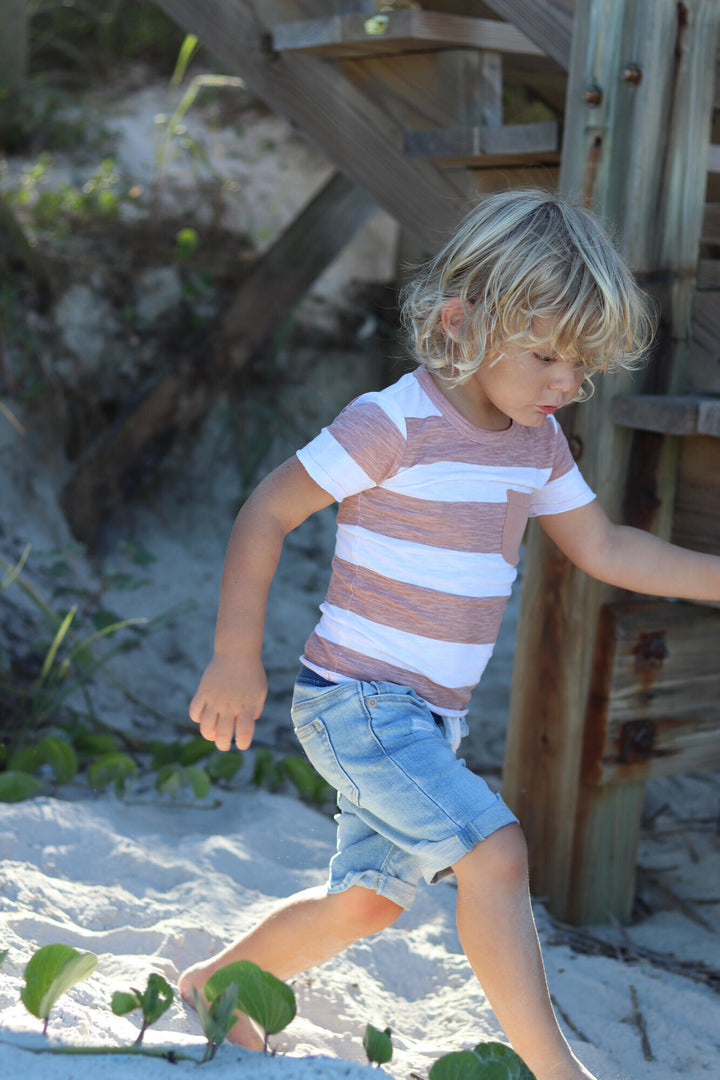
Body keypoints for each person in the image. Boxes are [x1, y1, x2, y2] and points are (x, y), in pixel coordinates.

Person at [179, 189, 716, 1080]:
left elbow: (608, 548)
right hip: (357, 702)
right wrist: (237, 655)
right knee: (495, 854)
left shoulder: (536, 447)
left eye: (580, 365)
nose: (563, 384)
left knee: (365, 906)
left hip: (430, 720)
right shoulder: (392, 424)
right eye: (544, 354)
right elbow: (266, 512)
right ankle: (559, 1072)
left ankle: (220, 984)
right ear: (462, 321)